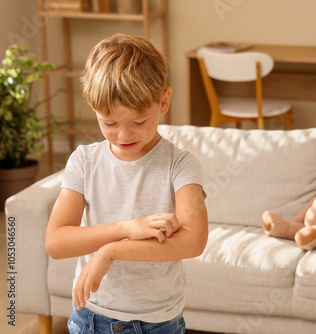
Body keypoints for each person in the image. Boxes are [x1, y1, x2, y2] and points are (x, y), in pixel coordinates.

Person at [45, 33, 208, 334]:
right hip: (89, 319)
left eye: (138, 121)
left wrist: (111, 251)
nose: (123, 135)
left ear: (164, 102)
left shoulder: (181, 165)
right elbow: (56, 243)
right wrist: (125, 229)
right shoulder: (84, 161)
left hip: (158, 323)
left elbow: (194, 241)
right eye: (109, 123)